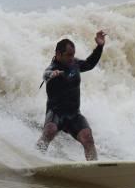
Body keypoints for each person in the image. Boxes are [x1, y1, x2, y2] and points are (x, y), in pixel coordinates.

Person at [37, 30, 107, 160]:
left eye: (73, 54)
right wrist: (51, 75)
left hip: (74, 114)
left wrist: (100, 46)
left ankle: (94, 167)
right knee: (50, 131)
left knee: (88, 138)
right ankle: (35, 158)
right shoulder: (52, 68)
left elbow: (90, 64)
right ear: (58, 54)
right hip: (56, 113)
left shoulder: (74, 64)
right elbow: (45, 74)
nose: (71, 58)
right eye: (68, 55)